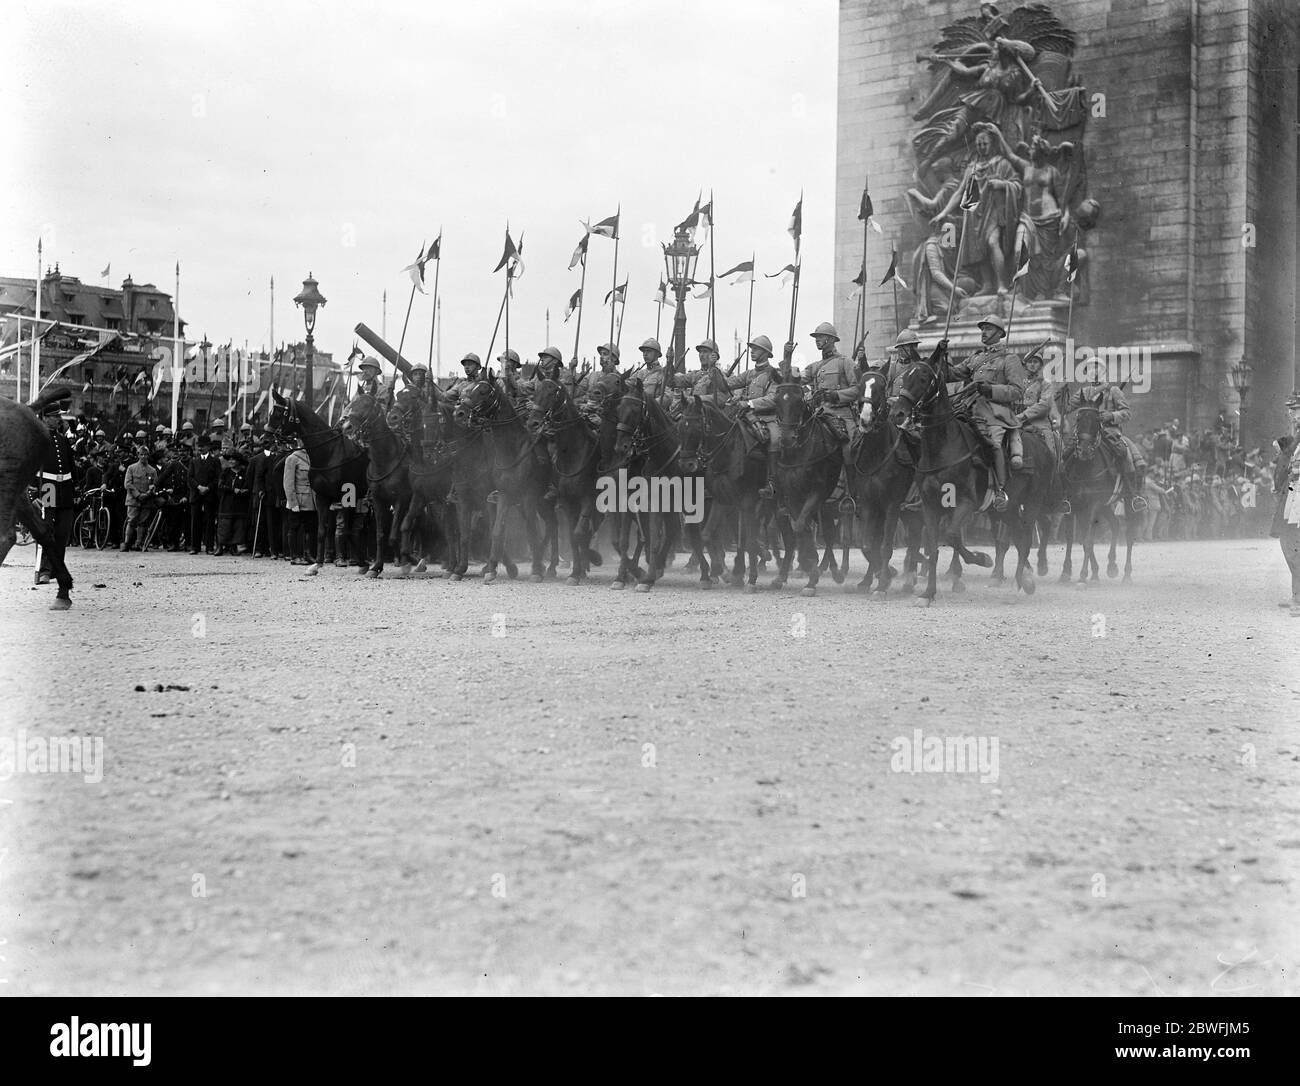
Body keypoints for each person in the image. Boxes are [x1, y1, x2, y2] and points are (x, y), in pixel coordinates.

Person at [947, 314, 1025, 510]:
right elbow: (952, 374)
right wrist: (940, 356)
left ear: (999, 333)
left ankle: (1000, 491)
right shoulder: (975, 358)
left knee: (994, 445)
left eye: (988, 329)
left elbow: (1017, 391)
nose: (984, 332)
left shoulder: (1010, 359)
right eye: (982, 329)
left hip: (995, 413)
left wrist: (990, 390)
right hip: (968, 409)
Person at [1065, 357, 1148, 511]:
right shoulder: (1083, 392)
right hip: (1086, 433)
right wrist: (1062, 392)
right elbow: (1066, 408)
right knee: (1066, 453)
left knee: (1124, 453)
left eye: (1097, 368)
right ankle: (1065, 495)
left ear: (1103, 371)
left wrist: (1111, 415)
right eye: (1090, 369)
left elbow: (1127, 413)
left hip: (1109, 431)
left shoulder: (1113, 391)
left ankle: (1133, 495)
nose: (1093, 371)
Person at [792, 321, 860, 470]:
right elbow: (795, 379)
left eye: (820, 337)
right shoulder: (815, 366)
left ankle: (853, 490)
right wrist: (788, 357)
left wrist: (836, 395)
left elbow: (857, 390)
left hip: (841, 414)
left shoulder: (846, 362)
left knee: (850, 449)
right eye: (816, 337)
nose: (816, 340)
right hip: (819, 413)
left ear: (829, 339)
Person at [35, 394, 79, 595]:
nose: (58, 419)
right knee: (47, 530)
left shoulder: (63, 440)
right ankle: (44, 570)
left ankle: (55, 569)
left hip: (65, 491)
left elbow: (72, 466)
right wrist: (34, 492)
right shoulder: (38, 439)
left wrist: (76, 489)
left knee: (62, 533)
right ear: (45, 418)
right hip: (48, 488)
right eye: (54, 416)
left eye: (58, 416)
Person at [727, 334, 782, 493]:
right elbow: (730, 383)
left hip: (767, 418)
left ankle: (772, 482)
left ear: (766, 353)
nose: (752, 351)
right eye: (751, 348)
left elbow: (773, 398)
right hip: (746, 416)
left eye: (756, 349)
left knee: (775, 439)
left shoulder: (774, 373)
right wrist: (716, 373)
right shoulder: (749, 373)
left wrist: (749, 403)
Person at [1277, 394, 1300, 610]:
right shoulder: (1297, 436)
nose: (1291, 414)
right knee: (1290, 544)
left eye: (1294, 410)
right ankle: (1296, 596)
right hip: (1294, 494)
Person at [283, 436, 317, 565]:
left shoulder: (313, 457)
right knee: (294, 528)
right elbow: (288, 483)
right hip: (298, 499)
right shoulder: (292, 458)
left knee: (310, 528)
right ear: (299, 442)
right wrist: (293, 502)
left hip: (311, 500)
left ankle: (308, 554)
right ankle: (294, 556)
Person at [121, 444, 159, 551]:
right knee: (132, 521)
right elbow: (128, 484)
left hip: (147, 500)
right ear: (138, 455)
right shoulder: (131, 468)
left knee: (143, 522)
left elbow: (154, 485)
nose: (143, 457)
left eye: (145, 454)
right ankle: (127, 543)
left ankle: (139, 543)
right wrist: (138, 495)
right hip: (133, 500)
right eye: (141, 454)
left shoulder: (152, 470)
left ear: (148, 455)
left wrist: (147, 494)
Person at [187, 434, 221, 554]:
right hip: (196, 495)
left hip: (209, 495)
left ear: (208, 447)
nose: (200, 448)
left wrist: (208, 488)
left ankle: (209, 546)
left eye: (203, 446)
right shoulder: (194, 461)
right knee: (195, 521)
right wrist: (198, 487)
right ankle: (194, 547)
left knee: (209, 521)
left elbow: (217, 478)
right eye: (199, 446)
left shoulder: (215, 461)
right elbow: (190, 478)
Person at [215, 450, 249, 556]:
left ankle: (234, 546)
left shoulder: (244, 473)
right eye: (229, 459)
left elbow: (247, 485)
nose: (231, 461)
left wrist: (244, 490)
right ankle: (220, 546)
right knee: (224, 525)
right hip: (226, 503)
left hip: (239, 504)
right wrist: (233, 490)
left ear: (239, 461)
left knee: (238, 525)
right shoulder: (225, 472)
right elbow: (220, 486)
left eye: (233, 459)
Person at [691, 339, 730, 405]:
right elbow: (674, 381)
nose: (701, 355)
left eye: (705, 352)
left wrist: (711, 366)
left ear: (715, 356)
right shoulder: (695, 374)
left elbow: (722, 396)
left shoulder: (720, 375)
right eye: (700, 352)